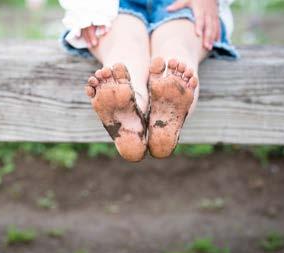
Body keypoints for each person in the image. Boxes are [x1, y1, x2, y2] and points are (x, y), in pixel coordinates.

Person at [59, 0, 238, 162]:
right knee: (177, 52)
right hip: (111, 5)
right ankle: (149, 110)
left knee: (124, 53)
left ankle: (135, 103)